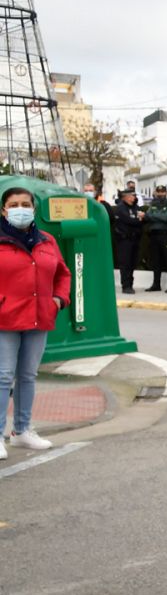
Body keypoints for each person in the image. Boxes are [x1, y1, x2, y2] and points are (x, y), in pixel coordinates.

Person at [0, 187, 71, 460]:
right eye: (14, 204)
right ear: (4, 210)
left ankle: (23, 431)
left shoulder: (46, 240)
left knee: (28, 375)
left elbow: (62, 274)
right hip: (5, 318)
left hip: (39, 317)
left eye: (26, 204)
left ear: (33, 208)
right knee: (3, 376)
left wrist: (58, 300)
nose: (21, 208)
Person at [109, 187, 146, 294]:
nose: (134, 198)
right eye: (132, 196)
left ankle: (130, 284)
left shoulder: (135, 207)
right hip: (124, 240)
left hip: (134, 239)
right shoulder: (121, 208)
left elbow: (140, 219)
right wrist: (139, 219)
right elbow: (131, 221)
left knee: (132, 263)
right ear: (126, 197)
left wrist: (139, 219)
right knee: (125, 263)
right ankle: (126, 286)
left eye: (134, 196)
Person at [143, 185, 167, 292]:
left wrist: (154, 216)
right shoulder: (153, 204)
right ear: (156, 193)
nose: (161, 194)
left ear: (166, 193)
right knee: (155, 261)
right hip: (154, 235)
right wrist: (157, 215)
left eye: (163, 192)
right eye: (159, 192)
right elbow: (147, 216)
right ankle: (156, 284)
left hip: (165, 235)